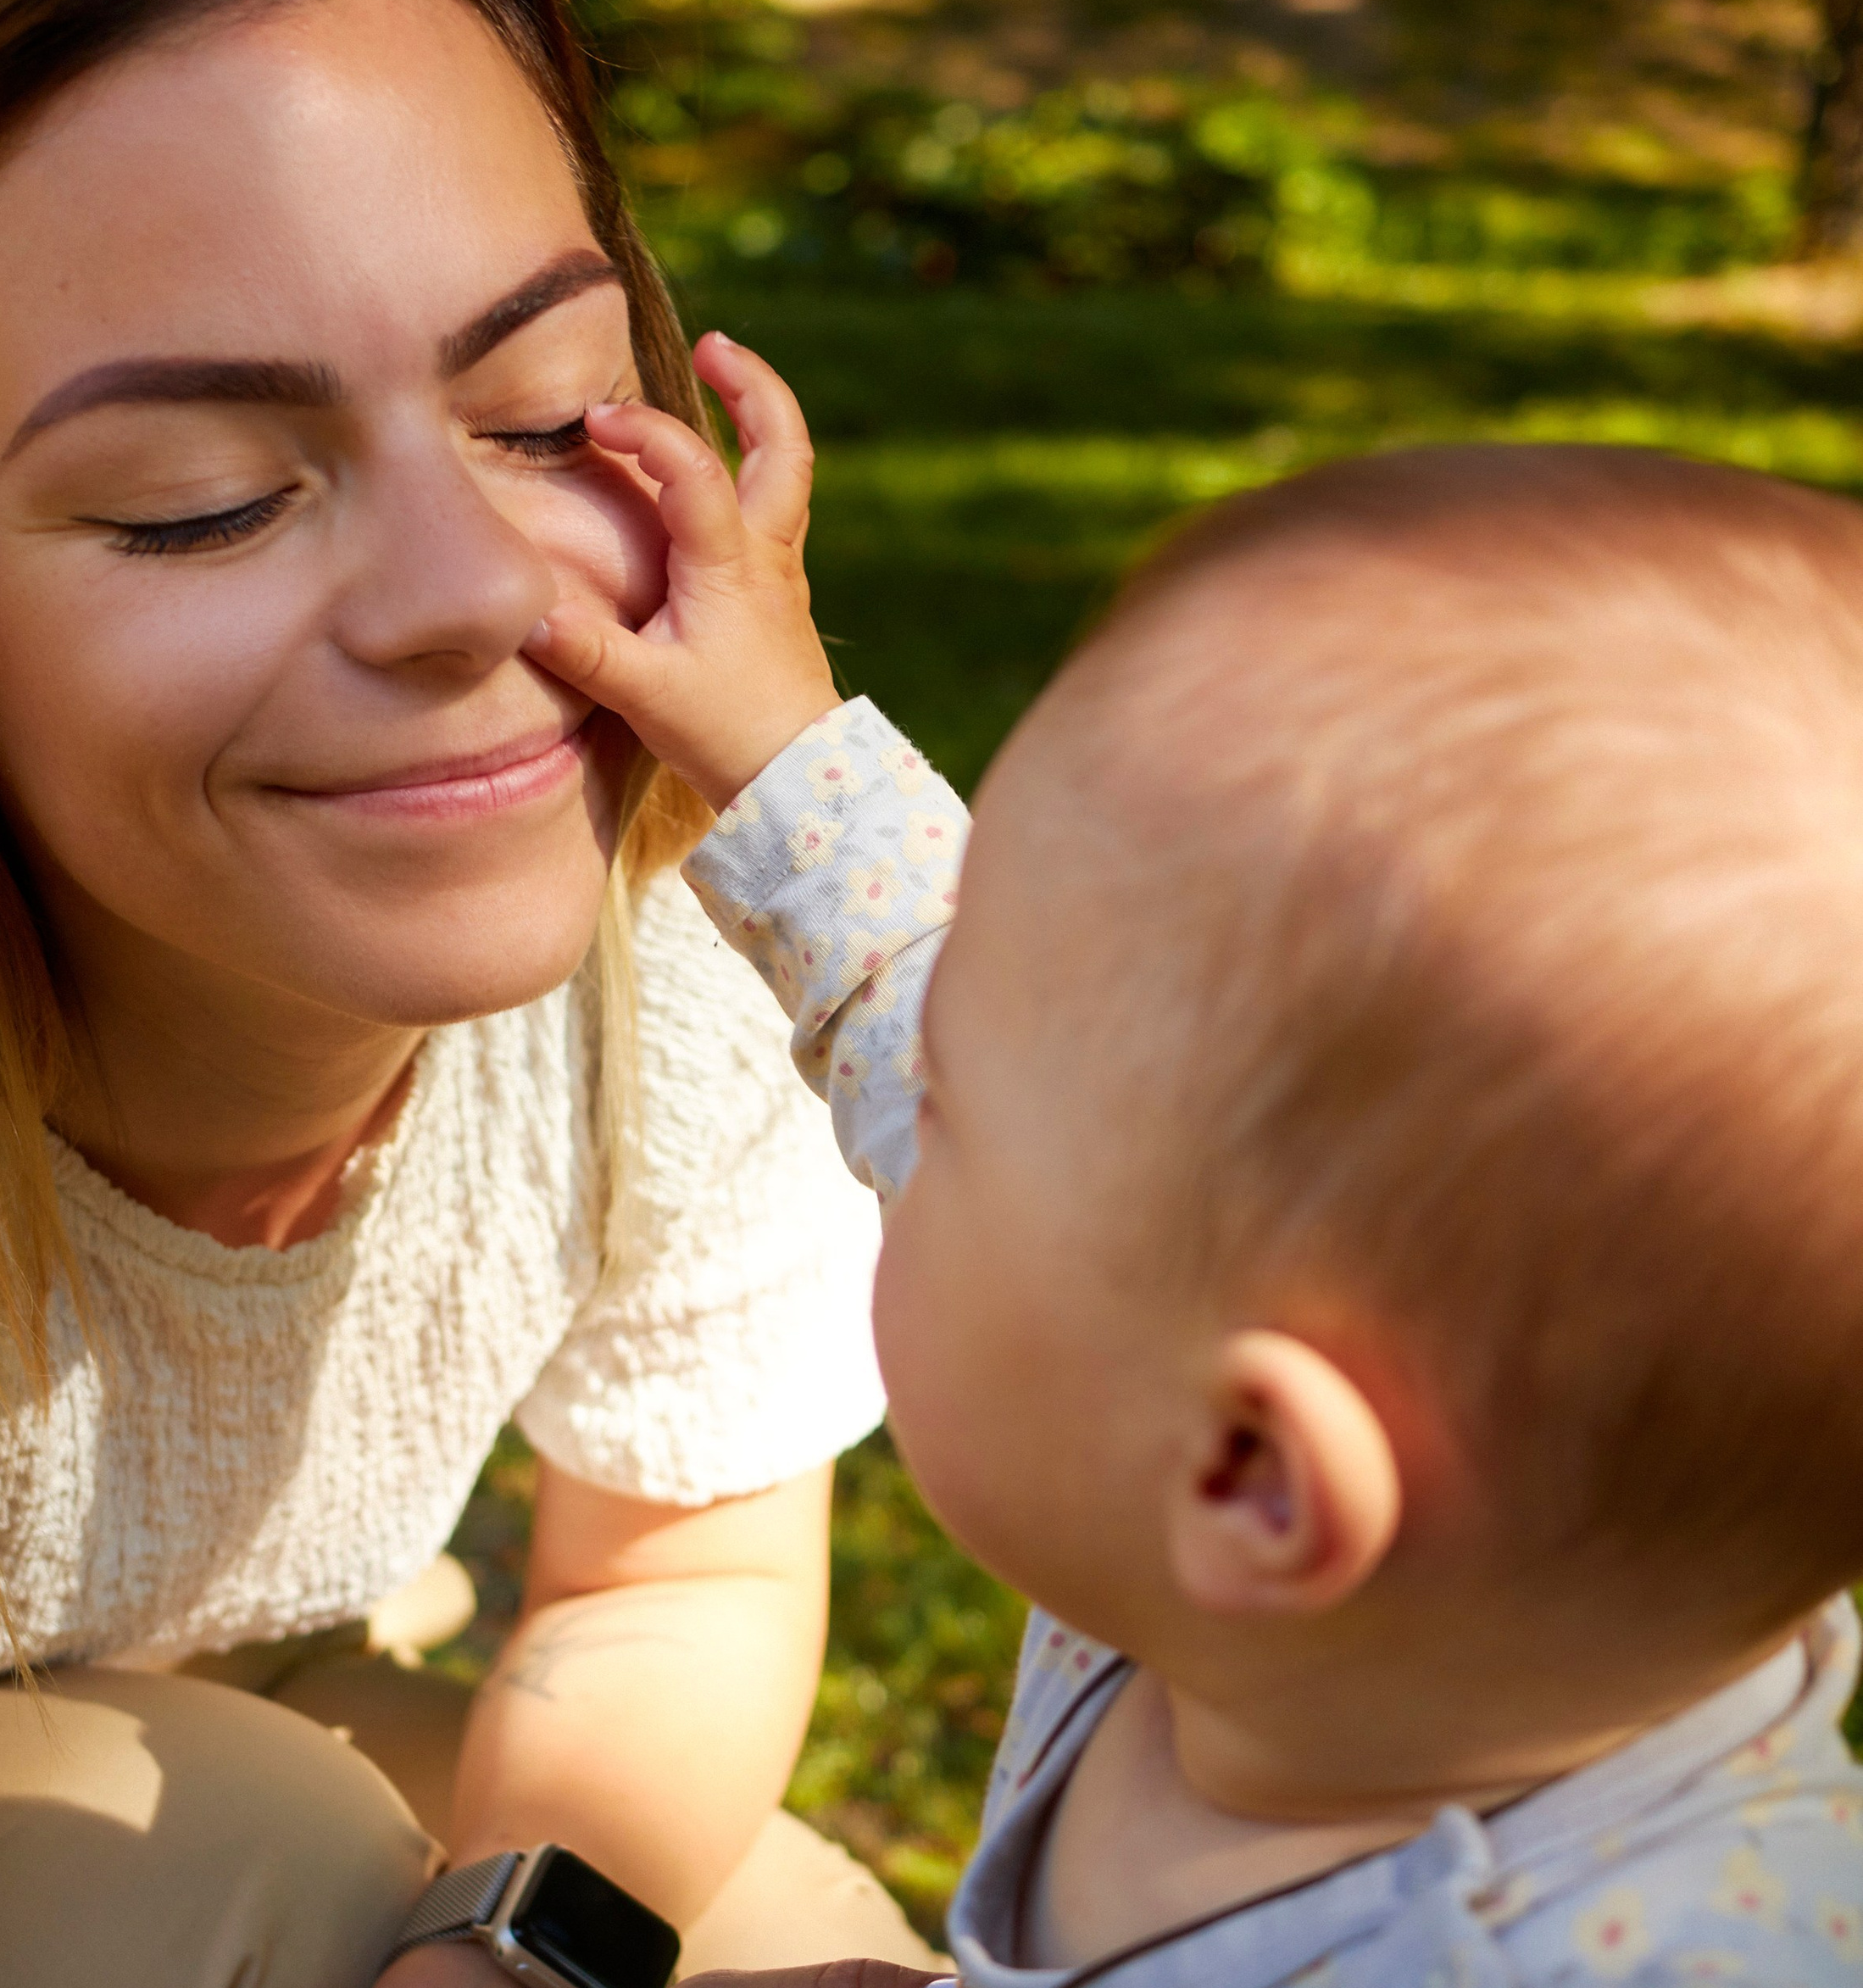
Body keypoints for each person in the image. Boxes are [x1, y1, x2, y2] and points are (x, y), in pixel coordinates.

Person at [0, 0, 943, 1985]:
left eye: (544, 410)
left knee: (762, 1931)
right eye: (203, 503)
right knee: (219, 1868)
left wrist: (508, 1961)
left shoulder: (684, 949)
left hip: (244, 1676)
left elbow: (671, 1581)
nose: (471, 594)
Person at [531, 380, 1863, 1983]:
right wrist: (768, 726)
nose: (906, 1081)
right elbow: (915, 975)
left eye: (951, 1114)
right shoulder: (1333, 1606)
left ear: (1250, 1475)